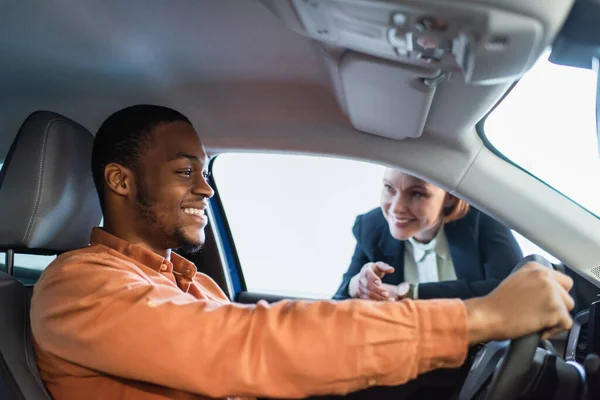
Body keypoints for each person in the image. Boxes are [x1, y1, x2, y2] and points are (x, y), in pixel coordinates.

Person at [30, 105, 575, 400]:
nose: (206, 189)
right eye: (184, 172)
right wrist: (477, 318)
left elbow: (266, 340)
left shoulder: (191, 282)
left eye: (205, 170)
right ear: (121, 181)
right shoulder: (76, 286)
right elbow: (247, 345)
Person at [334, 170, 523, 302]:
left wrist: (412, 293)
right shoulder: (370, 227)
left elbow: (514, 290)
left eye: (416, 194)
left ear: (449, 196)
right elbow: (338, 301)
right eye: (389, 188)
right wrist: (356, 285)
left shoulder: (482, 219)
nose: (396, 208)